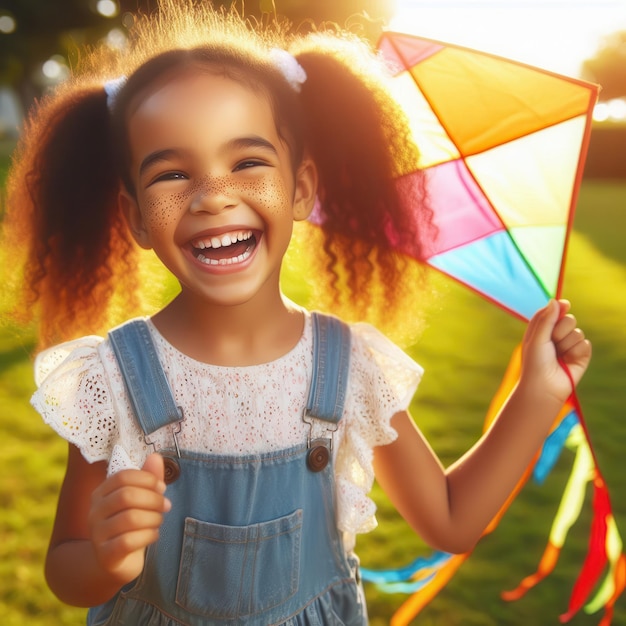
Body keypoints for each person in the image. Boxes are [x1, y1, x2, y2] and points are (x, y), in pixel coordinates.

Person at [2, 1, 591, 624]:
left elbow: (450, 520)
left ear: (301, 188)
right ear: (136, 219)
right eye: (172, 173)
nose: (213, 196)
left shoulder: (350, 365)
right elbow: (66, 568)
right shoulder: (112, 377)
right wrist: (105, 556)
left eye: (248, 162)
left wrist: (536, 394)